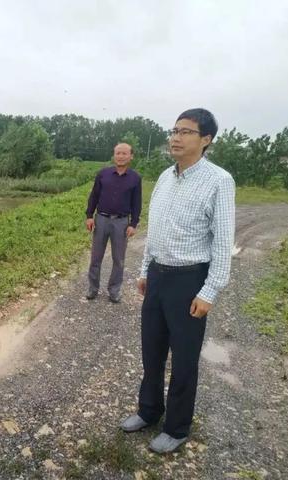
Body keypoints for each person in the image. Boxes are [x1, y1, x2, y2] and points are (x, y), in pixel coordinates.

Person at [120, 108, 235, 454]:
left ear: (206, 140)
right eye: (174, 130)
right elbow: (155, 231)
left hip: (190, 280)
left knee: (184, 358)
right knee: (151, 352)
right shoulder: (165, 178)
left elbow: (222, 242)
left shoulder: (219, 181)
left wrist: (209, 290)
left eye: (186, 132)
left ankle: (177, 427)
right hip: (158, 276)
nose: (176, 137)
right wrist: (144, 271)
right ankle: (148, 411)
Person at [85, 143, 142, 303]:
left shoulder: (135, 178)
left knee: (119, 259)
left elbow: (137, 203)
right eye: (118, 153)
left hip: (121, 222)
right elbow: (94, 196)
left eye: (124, 153)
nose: (121, 156)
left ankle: (114, 290)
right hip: (101, 219)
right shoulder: (103, 174)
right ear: (114, 155)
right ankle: (93, 288)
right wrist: (89, 215)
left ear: (131, 156)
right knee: (96, 257)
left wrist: (133, 223)